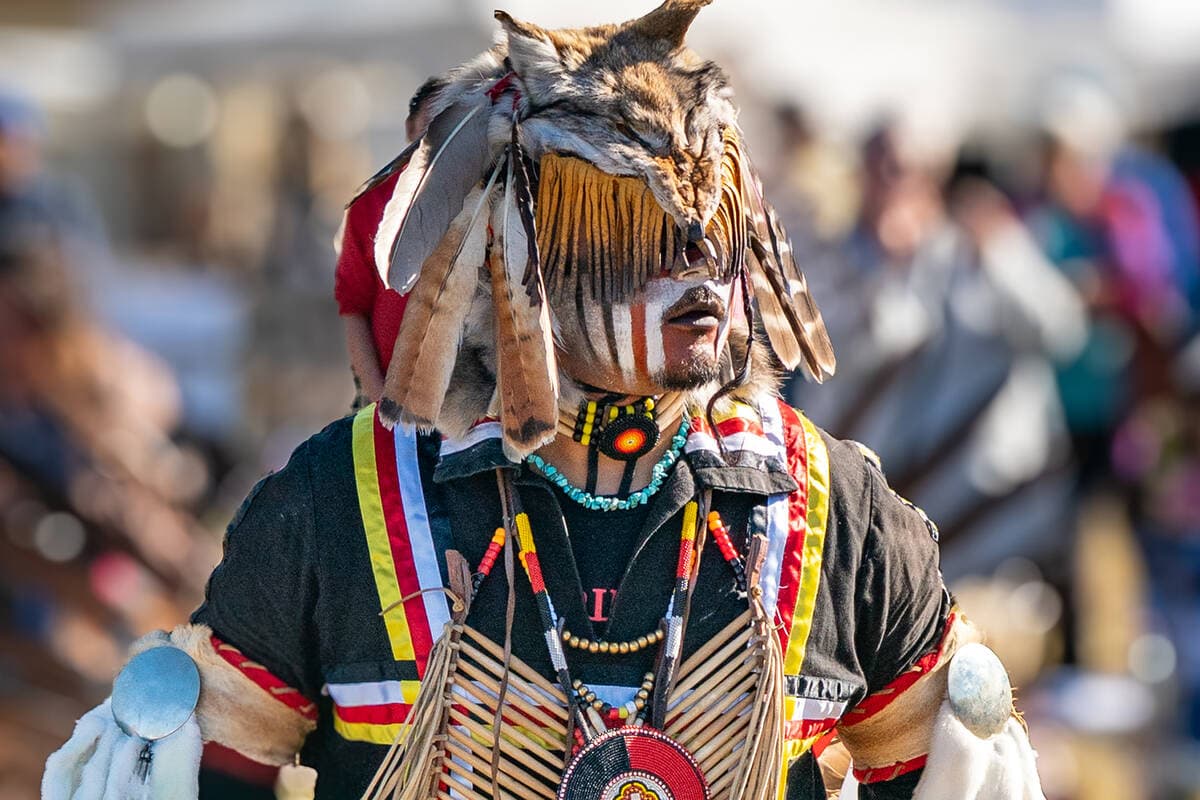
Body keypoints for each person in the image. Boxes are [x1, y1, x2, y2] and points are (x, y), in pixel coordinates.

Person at [43, 3, 1044, 799]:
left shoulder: (834, 509)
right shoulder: (344, 504)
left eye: (712, 228)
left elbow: (958, 777)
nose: (697, 269)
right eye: (637, 235)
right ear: (519, 266)